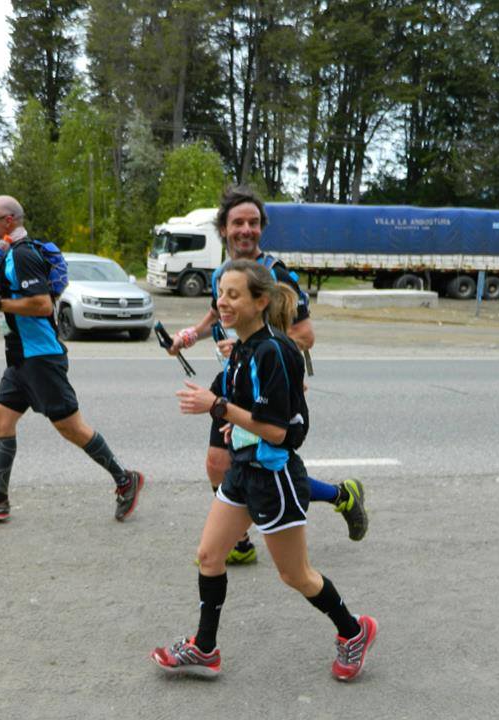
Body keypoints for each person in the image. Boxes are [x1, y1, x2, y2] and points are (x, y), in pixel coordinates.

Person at [151, 260, 377, 680]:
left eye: (233, 295)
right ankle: (204, 648)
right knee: (209, 556)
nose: (222, 302)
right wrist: (230, 417)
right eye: (220, 294)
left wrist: (218, 407)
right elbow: (250, 406)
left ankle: (354, 631)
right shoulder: (243, 346)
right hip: (242, 469)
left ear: (261, 301)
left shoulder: (272, 350)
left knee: (296, 575)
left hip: (273, 476)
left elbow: (276, 431)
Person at [167, 186, 367, 565]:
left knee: (266, 466)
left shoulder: (275, 275)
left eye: (254, 222)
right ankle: (241, 540)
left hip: (268, 381)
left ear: (262, 228)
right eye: (238, 222)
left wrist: (255, 348)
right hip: (237, 375)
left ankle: (341, 495)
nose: (247, 229)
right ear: (223, 229)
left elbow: (305, 335)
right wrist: (189, 335)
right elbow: (218, 312)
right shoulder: (225, 273)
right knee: (219, 462)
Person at [0, 195, 143, 522]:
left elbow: (42, 305)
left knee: (72, 429)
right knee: (1, 421)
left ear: (9, 221)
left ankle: (125, 479)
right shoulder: (9, 254)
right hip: (20, 359)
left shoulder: (24, 254)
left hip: (41, 358)